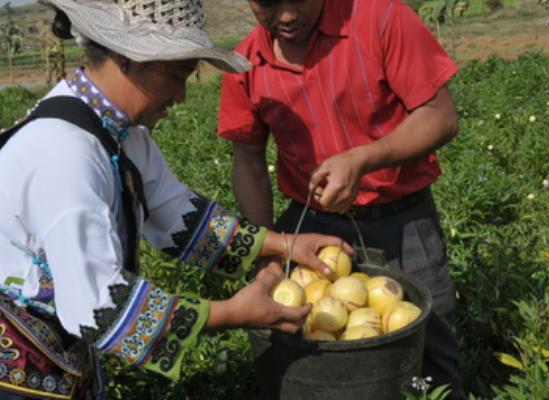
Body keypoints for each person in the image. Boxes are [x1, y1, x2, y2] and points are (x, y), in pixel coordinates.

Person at [0, 1, 352, 399]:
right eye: (176, 74)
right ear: (126, 56)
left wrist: (284, 244)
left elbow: (178, 217)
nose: (182, 95)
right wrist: (232, 314)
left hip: (59, 363)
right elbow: (98, 309)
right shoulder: (65, 154)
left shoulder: (119, 132)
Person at [217, 0, 465, 398]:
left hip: (401, 220)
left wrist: (362, 159)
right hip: (308, 229)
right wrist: (267, 246)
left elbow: (440, 114)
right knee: (310, 363)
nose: (285, 16)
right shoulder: (245, 62)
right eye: (266, 2)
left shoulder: (382, 19)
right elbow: (247, 160)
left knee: (426, 357)